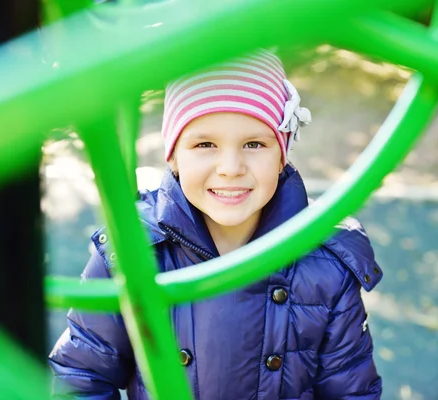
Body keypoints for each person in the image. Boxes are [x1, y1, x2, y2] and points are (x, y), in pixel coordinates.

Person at [48, 49, 383, 399]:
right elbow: (81, 377)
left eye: (254, 143)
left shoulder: (326, 264)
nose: (231, 167)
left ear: (282, 153)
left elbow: (351, 392)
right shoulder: (131, 253)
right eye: (205, 143)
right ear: (174, 156)